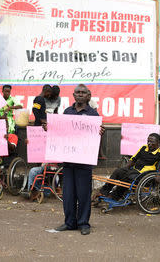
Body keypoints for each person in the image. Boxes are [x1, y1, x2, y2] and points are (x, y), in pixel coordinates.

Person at [51, 84, 105, 236]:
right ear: (73, 95)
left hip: (84, 162)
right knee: (68, 195)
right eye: (78, 92)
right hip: (68, 161)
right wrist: (50, 128)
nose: (80, 95)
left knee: (83, 195)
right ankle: (69, 223)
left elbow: (97, 138)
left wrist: (100, 132)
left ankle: (83, 223)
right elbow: (60, 132)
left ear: (89, 96)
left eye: (83, 92)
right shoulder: (67, 112)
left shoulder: (93, 115)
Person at [96, 133, 160, 201]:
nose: (149, 144)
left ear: (158, 143)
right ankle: (104, 191)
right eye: (148, 141)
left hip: (144, 176)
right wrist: (125, 168)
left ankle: (115, 196)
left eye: (152, 142)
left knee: (127, 178)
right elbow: (133, 159)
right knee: (118, 172)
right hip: (134, 172)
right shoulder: (143, 148)